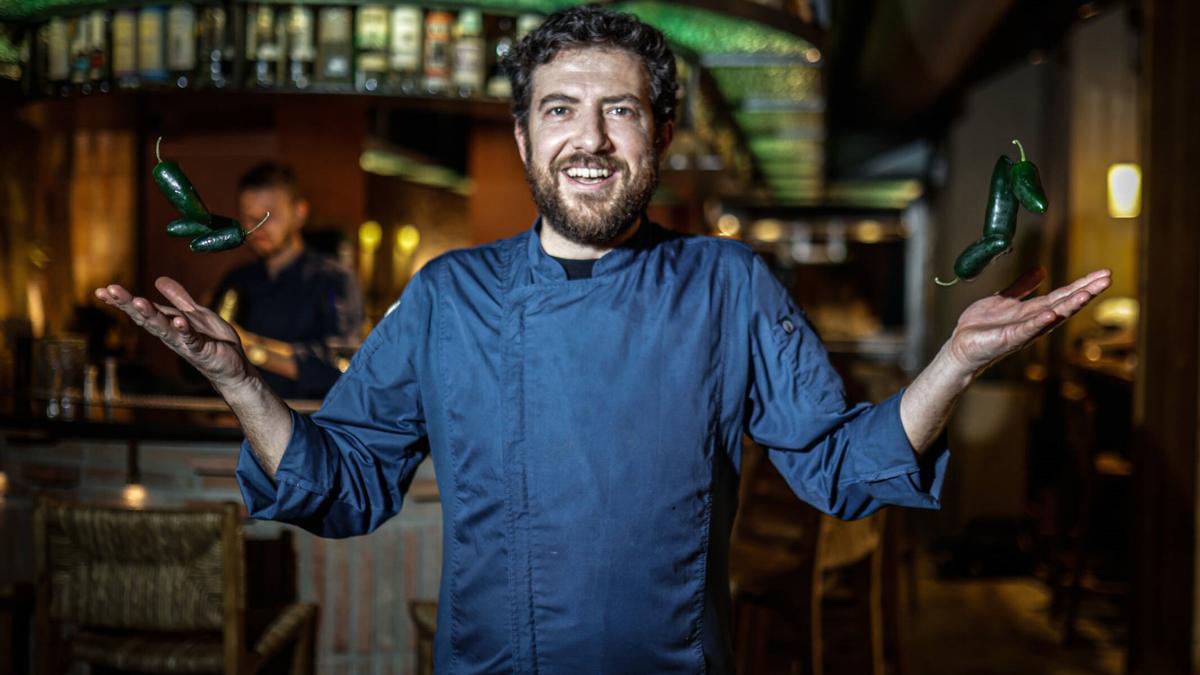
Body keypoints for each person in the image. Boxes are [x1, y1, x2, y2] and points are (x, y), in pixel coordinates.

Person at [96, 6, 1111, 672]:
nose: (590, 138)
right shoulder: (449, 295)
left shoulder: (729, 286)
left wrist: (956, 363)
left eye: (619, 110)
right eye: (561, 110)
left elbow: (844, 466)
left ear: (659, 137)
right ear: (526, 138)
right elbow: (344, 482)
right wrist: (240, 385)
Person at [210, 162, 363, 399]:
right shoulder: (236, 280)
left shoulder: (334, 280)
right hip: (239, 424)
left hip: (308, 425)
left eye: (268, 216)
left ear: (299, 213)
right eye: (249, 217)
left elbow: (341, 362)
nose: (257, 227)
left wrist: (250, 347)